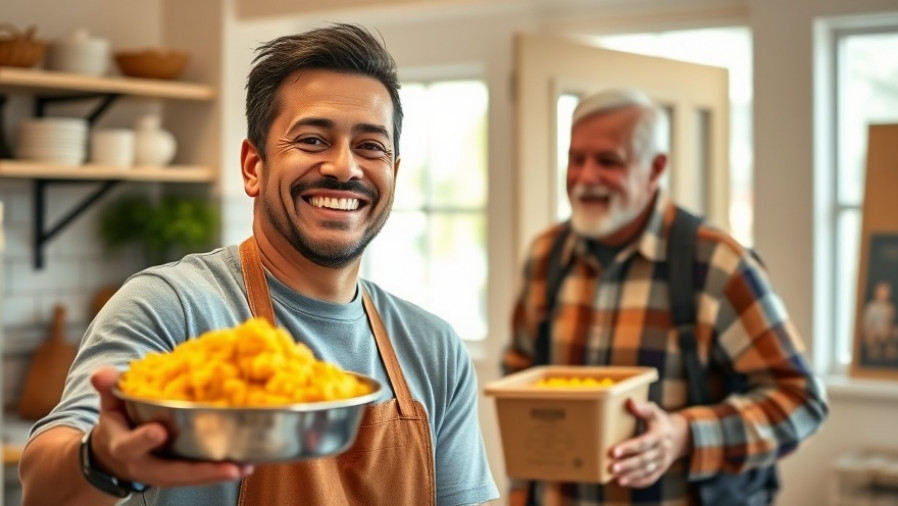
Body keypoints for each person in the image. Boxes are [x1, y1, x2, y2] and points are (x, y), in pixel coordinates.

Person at [19, 23, 499, 506]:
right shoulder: (171, 308)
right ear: (253, 166)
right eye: (312, 140)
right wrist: (103, 462)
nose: (344, 167)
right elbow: (43, 487)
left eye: (371, 146)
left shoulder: (433, 349)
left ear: (393, 172)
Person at [502, 88, 828, 505]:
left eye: (607, 161)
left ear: (656, 169)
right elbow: (518, 382)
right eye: (576, 158)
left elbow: (801, 400)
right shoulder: (545, 256)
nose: (585, 178)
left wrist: (685, 434)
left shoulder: (716, 264)